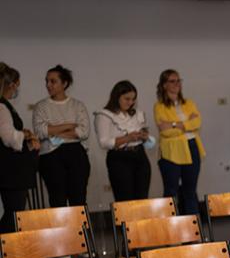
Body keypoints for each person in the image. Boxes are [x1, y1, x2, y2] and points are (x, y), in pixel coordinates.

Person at [32, 65, 91, 207]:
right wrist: (69, 125)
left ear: (64, 84)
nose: (48, 85)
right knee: (57, 199)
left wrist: (53, 130)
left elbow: (83, 132)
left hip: (76, 153)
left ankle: (81, 229)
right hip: (50, 156)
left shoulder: (77, 105)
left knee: (78, 199)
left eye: (53, 81)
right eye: (46, 81)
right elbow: (40, 132)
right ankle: (61, 230)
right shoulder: (41, 106)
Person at [153, 69, 204, 215]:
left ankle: (194, 230)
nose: (177, 84)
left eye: (178, 80)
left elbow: (198, 122)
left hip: (191, 147)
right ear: (164, 85)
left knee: (190, 190)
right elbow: (165, 131)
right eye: (172, 81)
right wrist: (187, 124)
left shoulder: (189, 103)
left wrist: (175, 124)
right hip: (171, 151)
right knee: (171, 191)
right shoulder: (159, 106)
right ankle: (170, 229)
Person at [93, 80, 151, 201]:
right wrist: (127, 138)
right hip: (119, 158)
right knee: (125, 200)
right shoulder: (104, 115)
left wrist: (145, 137)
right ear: (117, 97)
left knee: (142, 198)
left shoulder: (137, 113)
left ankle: (142, 221)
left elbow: (149, 141)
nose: (131, 102)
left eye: (133, 99)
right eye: (127, 99)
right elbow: (104, 142)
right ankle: (126, 221)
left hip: (140, 156)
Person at [0, 63, 39, 232]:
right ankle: (7, 253)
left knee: (14, 213)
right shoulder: (1, 106)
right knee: (14, 214)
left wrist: (23, 135)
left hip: (11, 169)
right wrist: (27, 136)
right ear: (12, 84)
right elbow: (8, 137)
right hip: (11, 170)